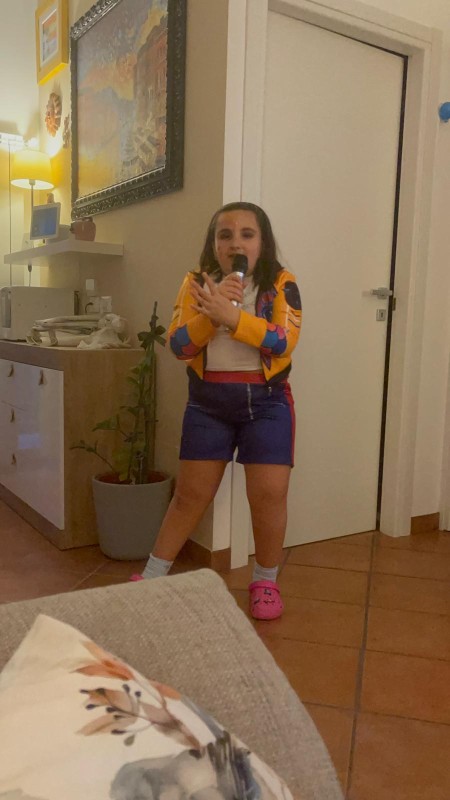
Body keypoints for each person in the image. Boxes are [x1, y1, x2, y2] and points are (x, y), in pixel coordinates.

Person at [132, 202, 302, 620]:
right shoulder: (195, 283)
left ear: (262, 242)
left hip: (267, 403)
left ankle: (265, 581)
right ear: (213, 244)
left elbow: (283, 341)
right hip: (208, 403)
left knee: (269, 496)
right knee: (190, 496)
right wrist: (213, 314)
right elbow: (178, 345)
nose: (235, 243)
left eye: (247, 234)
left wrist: (234, 318)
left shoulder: (281, 282)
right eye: (225, 235)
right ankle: (152, 576)